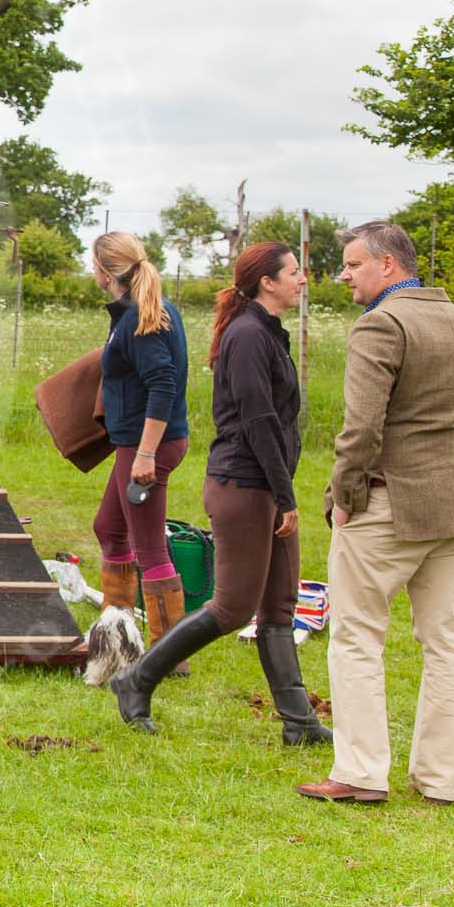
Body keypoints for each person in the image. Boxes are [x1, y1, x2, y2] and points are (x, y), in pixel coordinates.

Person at [298, 221, 454, 806]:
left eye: (353, 265)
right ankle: (440, 780)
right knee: (446, 642)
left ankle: (361, 773)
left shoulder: (382, 324)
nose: (344, 276)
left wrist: (342, 496)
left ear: (389, 266)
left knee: (357, 635)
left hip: (388, 504)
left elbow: (361, 428)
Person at [113, 243, 332, 745]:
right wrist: (286, 496)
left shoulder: (269, 332)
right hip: (243, 488)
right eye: (295, 272)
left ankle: (299, 723)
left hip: (267, 488)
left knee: (279, 606)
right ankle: (136, 679)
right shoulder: (249, 335)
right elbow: (258, 422)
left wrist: (282, 493)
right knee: (232, 607)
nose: (303, 280)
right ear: (267, 282)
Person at [84, 232, 193, 674]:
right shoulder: (139, 313)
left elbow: (163, 385)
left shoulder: (139, 319)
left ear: (106, 272)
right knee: (110, 528)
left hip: (149, 445)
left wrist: (146, 455)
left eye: (92, 263)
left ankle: (169, 658)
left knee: (149, 549)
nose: (91, 270)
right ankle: (117, 638)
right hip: (136, 443)